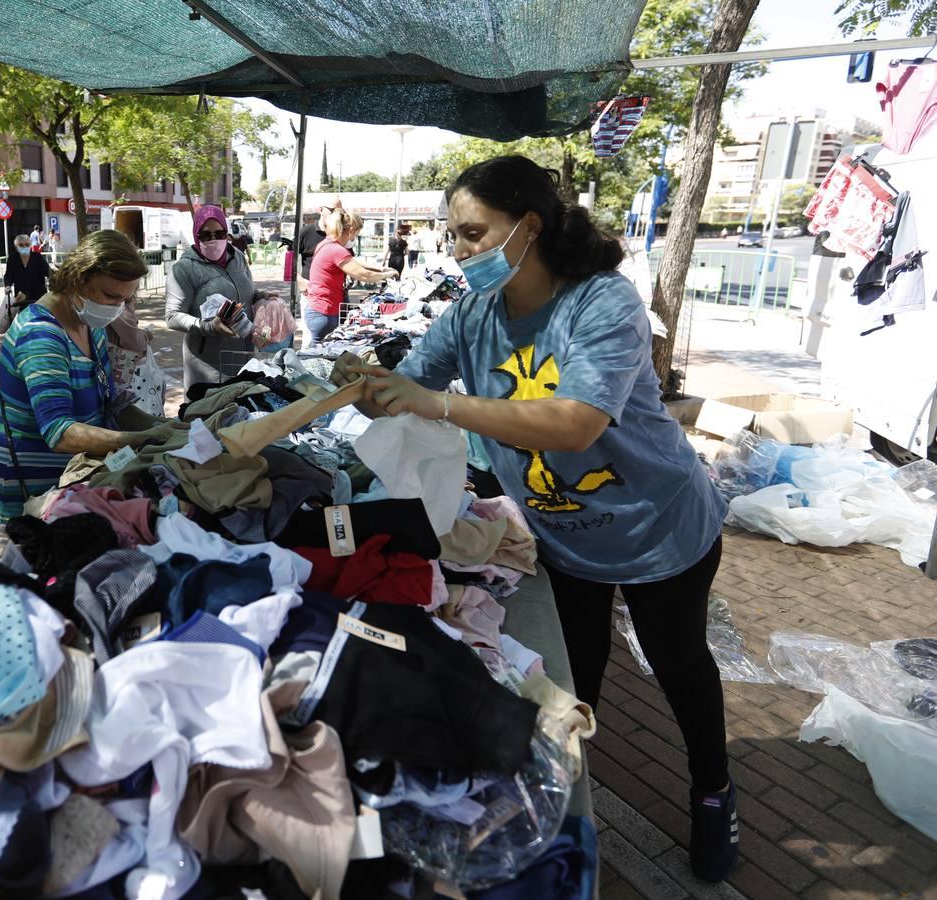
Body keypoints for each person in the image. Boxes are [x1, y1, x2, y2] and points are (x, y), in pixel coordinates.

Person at [355, 155, 737, 883]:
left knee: (679, 664)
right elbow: (415, 376)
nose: (459, 251)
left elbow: (573, 423)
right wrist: (365, 385)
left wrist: (430, 402)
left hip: (660, 526)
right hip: (565, 541)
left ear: (527, 226)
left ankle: (713, 792)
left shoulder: (599, 302)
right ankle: (558, 800)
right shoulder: (470, 316)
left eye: (474, 233)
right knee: (572, 678)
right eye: (454, 236)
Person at [0, 230, 169, 522]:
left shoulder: (91, 325)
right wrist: (142, 439)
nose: (117, 308)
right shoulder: (41, 335)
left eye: (125, 300)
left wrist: (168, 429)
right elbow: (59, 432)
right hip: (18, 485)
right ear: (79, 278)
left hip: (63, 481)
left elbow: (112, 402)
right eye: (111, 296)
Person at [164, 204, 275, 389]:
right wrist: (207, 326)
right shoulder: (184, 268)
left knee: (244, 411)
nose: (213, 239)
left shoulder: (237, 257)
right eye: (206, 235)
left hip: (243, 359)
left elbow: (245, 295)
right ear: (196, 235)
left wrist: (260, 296)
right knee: (210, 414)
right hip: (208, 366)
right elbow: (172, 317)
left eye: (220, 233)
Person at [305, 208, 395, 345]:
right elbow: (364, 275)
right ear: (350, 230)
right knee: (315, 354)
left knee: (317, 351)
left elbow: (352, 262)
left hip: (319, 309)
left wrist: (379, 268)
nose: (354, 238)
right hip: (323, 312)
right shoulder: (336, 250)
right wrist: (387, 274)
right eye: (356, 234)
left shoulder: (326, 244)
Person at [0, 232, 51, 332]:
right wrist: (7, 286)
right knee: (25, 324)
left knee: (40, 323)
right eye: (21, 245)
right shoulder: (13, 259)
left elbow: (48, 272)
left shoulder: (37, 257)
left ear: (30, 245)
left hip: (39, 296)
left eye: (26, 244)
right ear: (16, 246)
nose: (24, 247)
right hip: (22, 298)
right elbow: (8, 275)